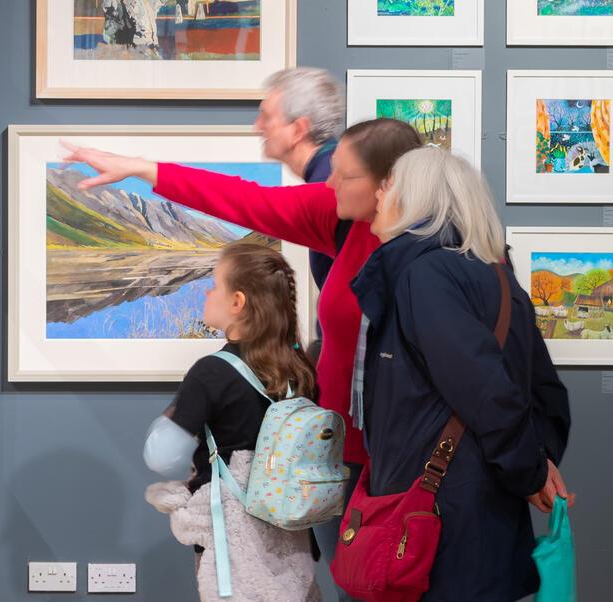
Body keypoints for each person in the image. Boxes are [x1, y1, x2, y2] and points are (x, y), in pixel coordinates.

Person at [67, 118, 422, 593]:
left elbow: (163, 452)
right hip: (335, 463)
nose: (329, 182)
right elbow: (247, 200)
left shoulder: (435, 246)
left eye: (344, 173)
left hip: (407, 454)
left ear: (388, 183)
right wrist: (142, 169)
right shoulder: (338, 218)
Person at [351, 146, 572, 601]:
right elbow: (546, 394)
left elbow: (487, 390)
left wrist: (531, 473)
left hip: (439, 520)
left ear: (416, 198)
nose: (378, 194)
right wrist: (535, 464)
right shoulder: (499, 278)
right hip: (481, 511)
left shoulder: (424, 276)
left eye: (389, 184)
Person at [142, 243, 322, 601]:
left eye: (214, 286)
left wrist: (173, 417)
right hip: (291, 542)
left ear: (237, 302)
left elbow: (161, 455)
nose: (206, 294)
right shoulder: (299, 370)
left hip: (234, 545)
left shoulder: (211, 373)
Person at [253, 67, 347, 290]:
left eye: (266, 117)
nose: (257, 126)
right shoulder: (333, 170)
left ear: (298, 130)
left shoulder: (328, 185)